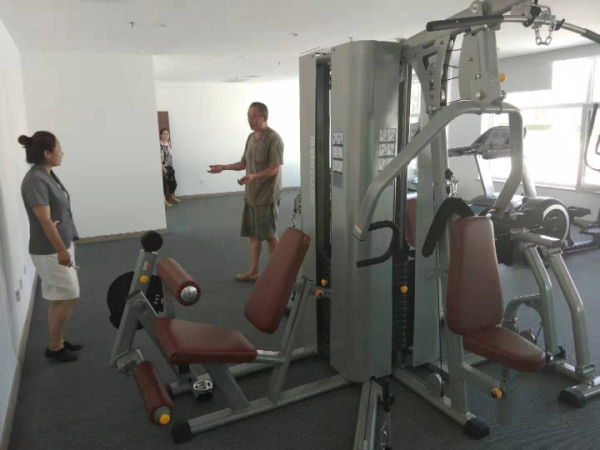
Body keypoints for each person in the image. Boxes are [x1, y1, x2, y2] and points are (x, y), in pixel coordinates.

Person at [19, 132, 82, 362]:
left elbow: (58, 213)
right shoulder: (35, 179)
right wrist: (62, 250)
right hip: (49, 250)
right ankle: (55, 347)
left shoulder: (46, 174)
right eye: (58, 148)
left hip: (59, 245)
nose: (62, 152)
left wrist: (68, 242)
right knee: (68, 296)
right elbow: (45, 220)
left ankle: (59, 341)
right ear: (47, 153)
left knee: (63, 296)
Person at [208, 102, 284, 281]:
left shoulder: (274, 139)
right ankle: (254, 271)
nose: (250, 120)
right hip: (251, 196)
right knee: (254, 235)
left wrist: (254, 176)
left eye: (253, 116)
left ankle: (279, 275)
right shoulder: (250, 138)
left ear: (264, 117)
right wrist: (223, 167)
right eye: (248, 116)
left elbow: (275, 168)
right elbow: (244, 163)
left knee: (270, 236)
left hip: (267, 197)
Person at [160, 128, 180, 207]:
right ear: (161, 135)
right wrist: (161, 166)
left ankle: (172, 197)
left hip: (169, 166)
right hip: (162, 167)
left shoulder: (169, 143)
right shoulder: (159, 144)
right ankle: (164, 201)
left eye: (167, 134)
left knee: (173, 183)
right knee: (163, 185)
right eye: (164, 134)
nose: (166, 135)